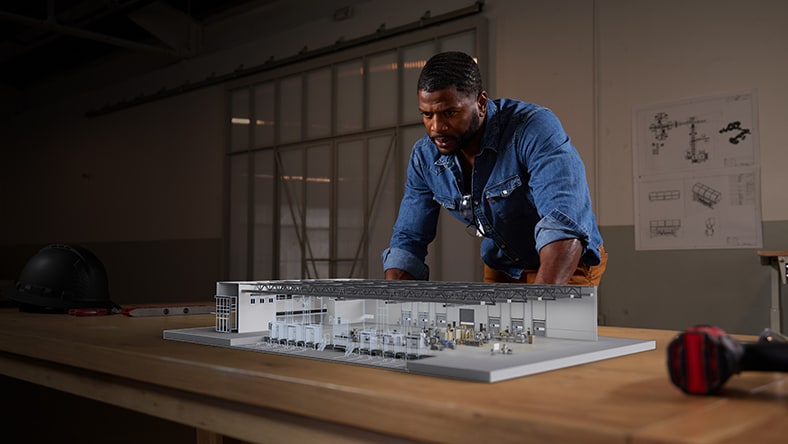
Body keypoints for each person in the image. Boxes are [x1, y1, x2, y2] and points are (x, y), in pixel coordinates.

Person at [381, 51, 607, 286]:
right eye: (427, 115)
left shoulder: (533, 128)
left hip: (565, 258)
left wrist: (540, 309)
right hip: (504, 263)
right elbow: (408, 240)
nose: (437, 127)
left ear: (480, 103)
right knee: (493, 324)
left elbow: (563, 223)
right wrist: (393, 306)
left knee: (547, 321)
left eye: (450, 113)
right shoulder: (424, 157)